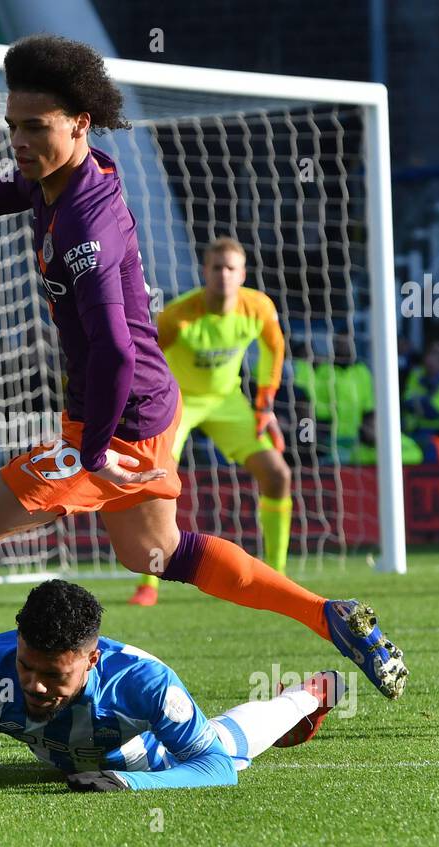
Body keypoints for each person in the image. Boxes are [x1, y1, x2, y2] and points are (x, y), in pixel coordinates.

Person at [0, 34, 407, 727]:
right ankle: (327, 616)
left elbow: (109, 348)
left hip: (116, 419)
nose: (19, 141)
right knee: (158, 552)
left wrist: (92, 453)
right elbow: (15, 187)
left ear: (79, 122)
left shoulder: (86, 228)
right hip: (145, 404)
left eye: (35, 127)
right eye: (12, 125)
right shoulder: (74, 173)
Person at [0, 580, 347, 798]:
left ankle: (309, 694)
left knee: (227, 745)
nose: (34, 684)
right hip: (73, 762)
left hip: (146, 756)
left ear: (91, 660)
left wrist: (127, 781)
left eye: (55, 676)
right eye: (26, 665)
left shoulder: (145, 684)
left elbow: (216, 770)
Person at [128, 236, 292, 607]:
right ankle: (148, 584)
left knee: (278, 474)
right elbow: (142, 359)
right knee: (156, 482)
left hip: (227, 401)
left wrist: (264, 408)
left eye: (230, 268)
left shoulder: (258, 308)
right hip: (178, 402)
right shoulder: (178, 316)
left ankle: (277, 575)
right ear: (204, 272)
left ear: (243, 274)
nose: (223, 275)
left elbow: (273, 351)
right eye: (216, 268)